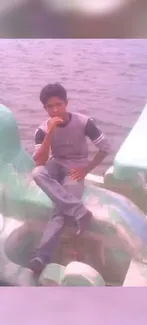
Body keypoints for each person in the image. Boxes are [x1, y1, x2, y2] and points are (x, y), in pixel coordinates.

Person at [28, 83, 110, 275]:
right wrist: (50, 131)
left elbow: (105, 147)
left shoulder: (84, 122)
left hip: (75, 168)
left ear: (67, 103)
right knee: (38, 173)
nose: (55, 109)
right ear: (44, 108)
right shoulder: (41, 130)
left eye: (59, 104)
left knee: (60, 212)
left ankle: (41, 257)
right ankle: (80, 211)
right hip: (55, 164)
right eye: (50, 106)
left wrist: (86, 169)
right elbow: (39, 161)